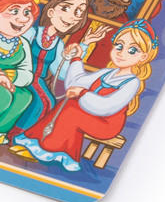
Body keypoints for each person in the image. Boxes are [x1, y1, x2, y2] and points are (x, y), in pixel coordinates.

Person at [18, 22, 157, 174]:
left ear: (143, 56)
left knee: (72, 110)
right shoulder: (107, 73)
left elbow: (108, 106)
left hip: (106, 123)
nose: (121, 53)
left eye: (132, 50)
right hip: (90, 115)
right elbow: (75, 82)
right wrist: (77, 58)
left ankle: (47, 150)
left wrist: (83, 93)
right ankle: (36, 142)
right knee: (70, 104)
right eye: (119, 46)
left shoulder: (132, 82)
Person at [13, 0, 110, 137]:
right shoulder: (32, 33)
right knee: (39, 101)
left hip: (39, 81)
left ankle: (23, 135)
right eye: (66, 8)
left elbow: (62, 72)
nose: (72, 16)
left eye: (78, 12)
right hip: (21, 74)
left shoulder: (58, 44)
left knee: (49, 102)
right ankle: (16, 133)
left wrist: (84, 45)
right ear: (51, 12)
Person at [0, 0, 39, 144]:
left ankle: (1, 130)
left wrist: (11, 76)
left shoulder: (22, 44)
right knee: (4, 96)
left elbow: (27, 73)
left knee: (25, 96)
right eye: (14, 10)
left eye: (27, 12)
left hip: (10, 81)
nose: (22, 19)